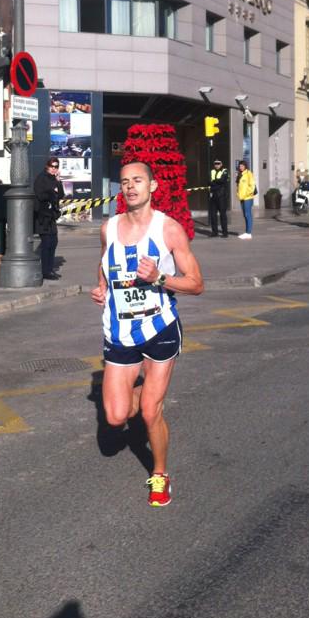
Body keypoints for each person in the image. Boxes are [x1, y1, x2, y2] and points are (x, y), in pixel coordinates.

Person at [90, 160, 204, 507]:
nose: (130, 187)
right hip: (121, 330)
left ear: (152, 187)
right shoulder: (108, 228)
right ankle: (141, 393)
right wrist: (101, 288)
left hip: (160, 328)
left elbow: (197, 284)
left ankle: (160, 474)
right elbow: (104, 262)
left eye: (138, 180)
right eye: (125, 181)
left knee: (151, 412)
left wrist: (158, 278)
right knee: (115, 416)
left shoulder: (168, 230)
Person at [34, 156, 63, 280]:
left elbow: (60, 194)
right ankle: (45, 271)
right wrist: (52, 192)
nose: (54, 169)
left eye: (56, 166)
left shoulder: (54, 179)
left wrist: (58, 182)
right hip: (42, 216)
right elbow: (40, 195)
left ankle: (49, 269)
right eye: (52, 166)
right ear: (47, 166)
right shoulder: (41, 178)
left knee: (53, 242)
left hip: (51, 216)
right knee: (46, 243)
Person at [208, 158, 229, 237]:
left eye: (218, 163)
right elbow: (209, 181)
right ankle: (214, 232)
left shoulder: (225, 171)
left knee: (222, 214)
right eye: (215, 164)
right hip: (213, 195)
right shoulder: (211, 171)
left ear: (221, 164)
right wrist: (217, 182)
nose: (216, 165)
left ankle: (225, 232)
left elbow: (222, 180)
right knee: (213, 215)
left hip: (221, 196)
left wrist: (214, 182)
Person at [236, 160, 256, 239]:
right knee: (245, 215)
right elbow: (238, 186)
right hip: (242, 198)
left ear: (245, 166)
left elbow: (252, 185)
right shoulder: (240, 174)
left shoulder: (249, 174)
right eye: (240, 166)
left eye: (242, 166)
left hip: (248, 198)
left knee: (248, 214)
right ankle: (247, 232)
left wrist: (247, 194)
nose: (241, 167)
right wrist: (238, 194)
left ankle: (248, 233)